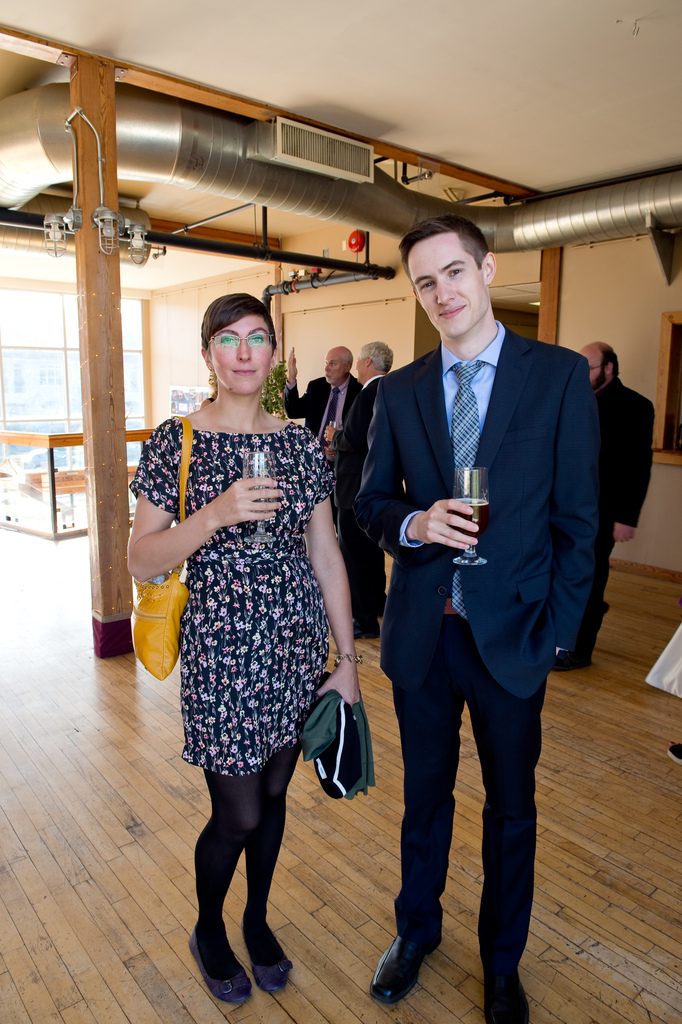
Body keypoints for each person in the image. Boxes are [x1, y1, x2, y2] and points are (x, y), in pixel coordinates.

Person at [355, 214, 600, 1024]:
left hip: (514, 637)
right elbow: (369, 502)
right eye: (425, 282)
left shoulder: (557, 376)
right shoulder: (398, 391)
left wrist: (558, 632)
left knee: (511, 811)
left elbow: (578, 521)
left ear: (487, 270)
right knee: (424, 800)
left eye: (454, 272)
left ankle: (502, 964)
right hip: (423, 636)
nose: (442, 293)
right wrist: (414, 522)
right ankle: (415, 932)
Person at [128, 293, 360, 1005]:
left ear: (274, 354)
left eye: (257, 337)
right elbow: (141, 557)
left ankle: (256, 918)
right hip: (222, 653)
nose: (243, 352)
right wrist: (216, 513)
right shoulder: (176, 441)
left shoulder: (298, 444)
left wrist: (348, 664)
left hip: (294, 647)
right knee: (240, 813)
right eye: (227, 339)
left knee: (275, 794)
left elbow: (326, 555)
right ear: (208, 355)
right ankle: (209, 928)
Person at [553, 342, 654, 671]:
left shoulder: (636, 406)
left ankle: (578, 651)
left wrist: (626, 517)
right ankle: (561, 634)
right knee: (564, 572)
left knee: (590, 577)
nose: (582, 373)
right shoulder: (573, 399)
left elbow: (638, 468)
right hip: (566, 506)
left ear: (608, 368)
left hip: (604, 510)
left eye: (589, 367)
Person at [324, 341, 393, 639]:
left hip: (353, 489)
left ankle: (364, 621)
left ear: (366, 362)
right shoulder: (391, 390)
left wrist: (334, 437)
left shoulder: (367, 394)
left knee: (353, 558)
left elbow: (353, 439)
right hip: (377, 486)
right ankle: (377, 604)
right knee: (372, 554)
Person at [283, 344, 362, 454]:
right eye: (326, 363)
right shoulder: (316, 387)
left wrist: (340, 449)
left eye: (332, 364)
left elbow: (360, 436)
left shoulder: (359, 391)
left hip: (343, 459)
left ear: (347, 367)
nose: (326, 368)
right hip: (313, 456)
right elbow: (293, 411)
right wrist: (291, 378)